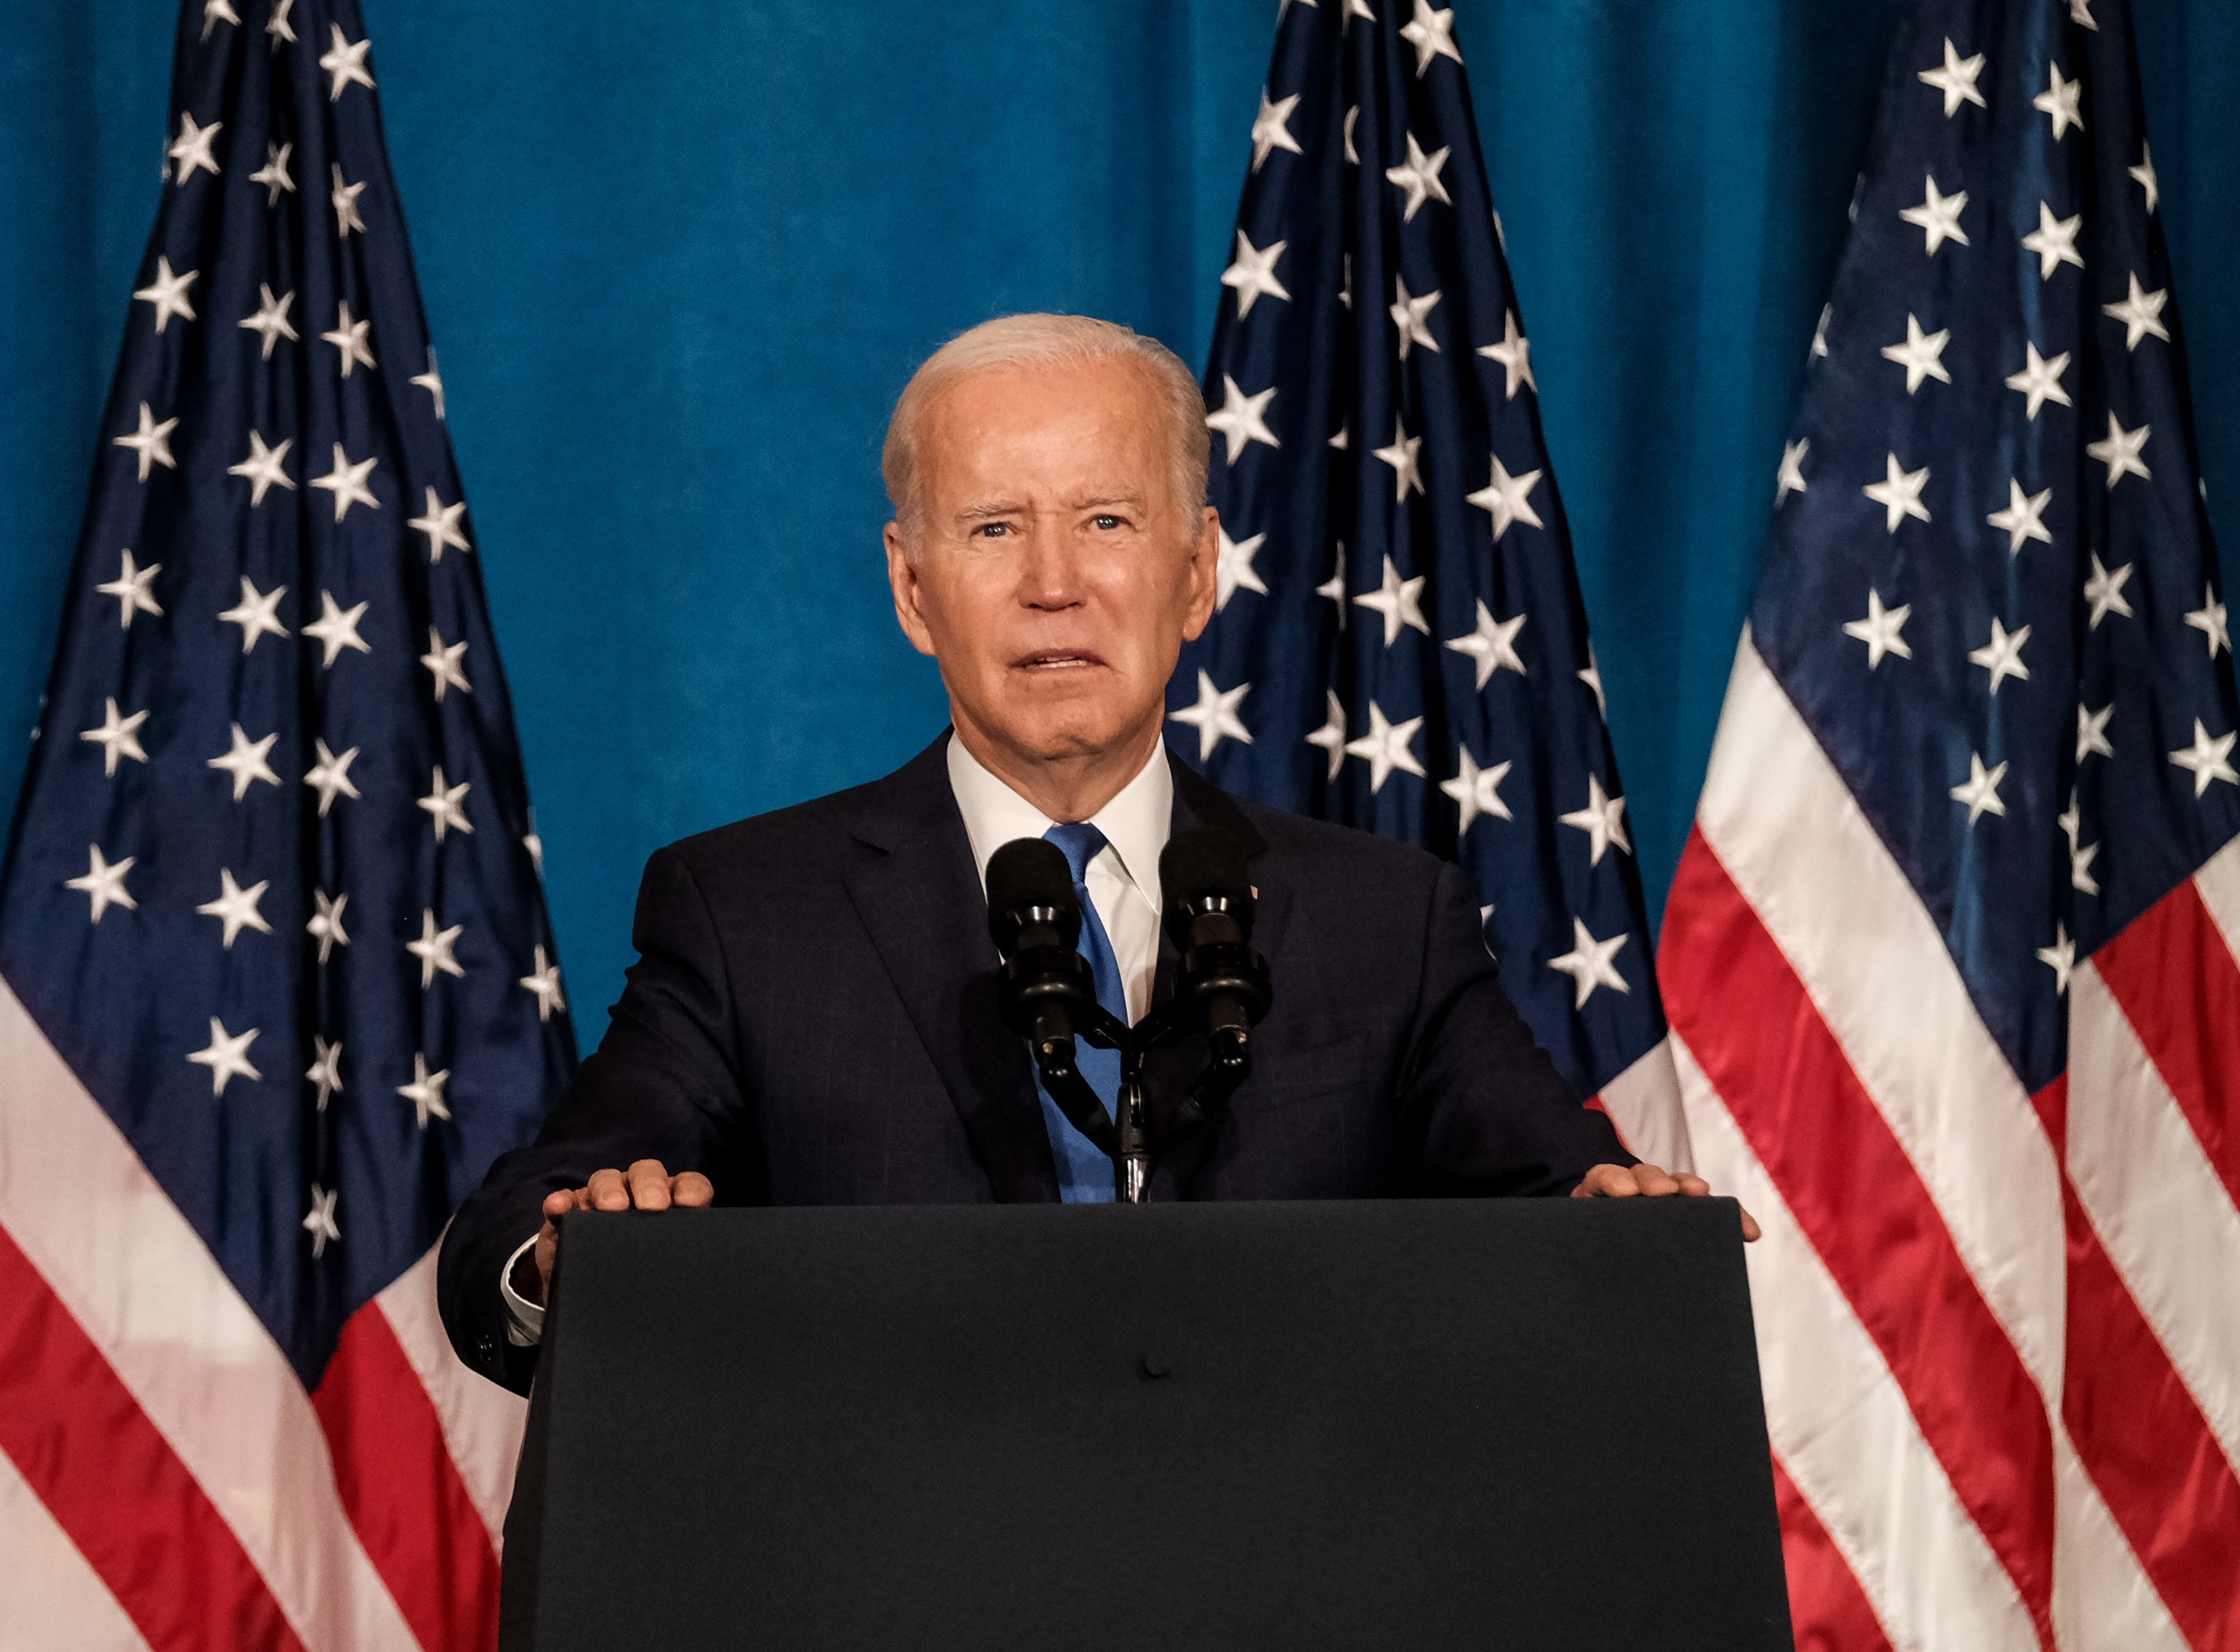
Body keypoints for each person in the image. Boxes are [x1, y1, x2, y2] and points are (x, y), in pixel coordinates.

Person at [439, 312, 1748, 1394]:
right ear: (912, 588)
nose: (1054, 582)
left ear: (1195, 575)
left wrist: (1625, 1233)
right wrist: (576, 1253)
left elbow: (1554, 1188)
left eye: (1109, 523)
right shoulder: (750, 913)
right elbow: (524, 1222)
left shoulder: (1379, 919)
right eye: (996, 527)